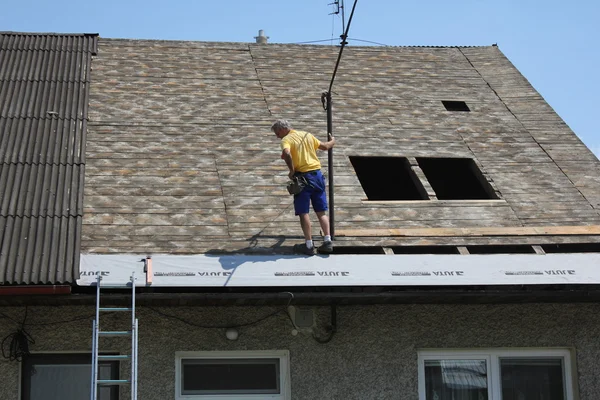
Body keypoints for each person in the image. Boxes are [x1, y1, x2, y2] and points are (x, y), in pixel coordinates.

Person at [271, 119, 336, 255]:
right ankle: (327, 241)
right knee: (321, 211)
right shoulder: (307, 135)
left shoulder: (286, 140)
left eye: (277, 133)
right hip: (317, 176)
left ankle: (308, 245)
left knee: (303, 212)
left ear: (283, 129)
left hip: (303, 177)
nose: (277, 136)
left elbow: (287, 153)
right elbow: (325, 146)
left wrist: (291, 171)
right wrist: (333, 141)